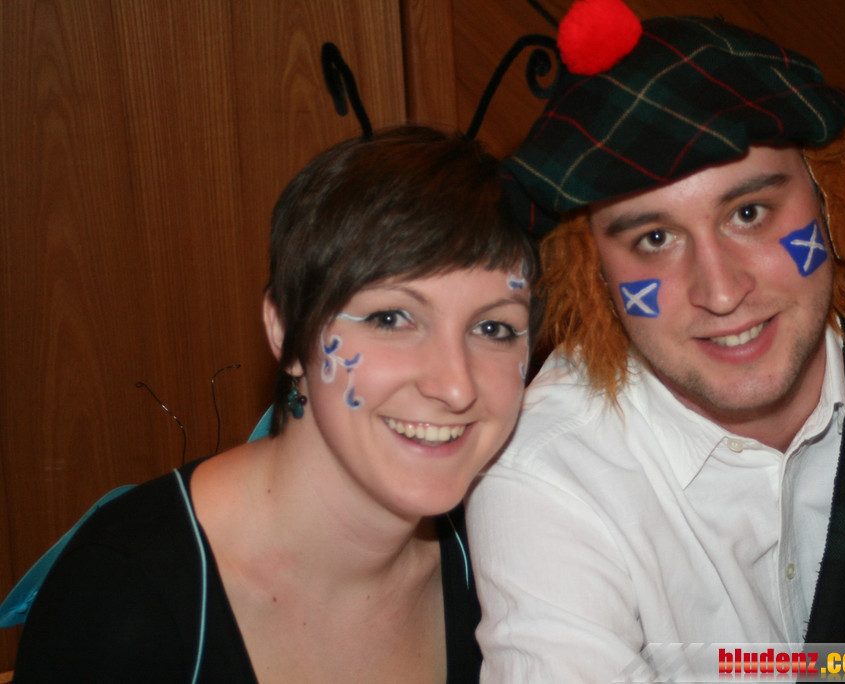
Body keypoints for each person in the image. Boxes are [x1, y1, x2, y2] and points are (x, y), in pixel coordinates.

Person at [466, 1, 845, 681]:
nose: (721, 291)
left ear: (829, 200)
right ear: (594, 272)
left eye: (749, 212)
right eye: (655, 238)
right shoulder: (550, 476)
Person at [12, 125, 539, 682]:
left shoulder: (510, 553)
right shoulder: (124, 598)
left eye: (494, 328)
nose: (456, 387)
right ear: (285, 330)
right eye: (390, 319)